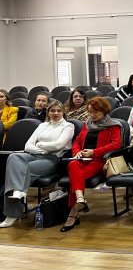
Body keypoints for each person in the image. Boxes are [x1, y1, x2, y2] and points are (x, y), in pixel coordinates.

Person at [0, 100, 74, 228]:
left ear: (63, 112)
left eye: (59, 111)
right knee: (13, 157)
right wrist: (43, 149)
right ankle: (19, 192)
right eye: (52, 111)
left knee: (20, 170)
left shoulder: (68, 126)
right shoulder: (42, 126)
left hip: (51, 160)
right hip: (33, 155)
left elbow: (58, 145)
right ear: (48, 113)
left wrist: (40, 145)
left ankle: (12, 214)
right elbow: (28, 145)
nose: (56, 113)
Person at [61, 97, 123, 232]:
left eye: (95, 112)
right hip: (82, 159)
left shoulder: (113, 125)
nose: (92, 115)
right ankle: (80, 199)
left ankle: (73, 213)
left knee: (76, 176)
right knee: (73, 165)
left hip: (99, 160)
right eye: (90, 112)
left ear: (104, 111)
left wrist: (94, 152)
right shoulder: (86, 124)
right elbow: (77, 142)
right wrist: (77, 152)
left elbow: (116, 144)